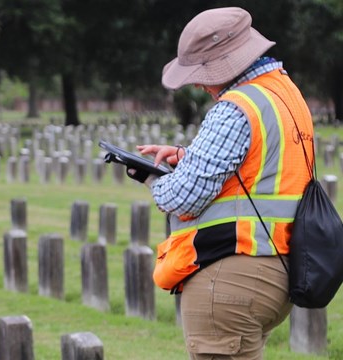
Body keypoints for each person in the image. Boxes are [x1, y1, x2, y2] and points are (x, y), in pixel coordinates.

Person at [129, 7, 315, 359]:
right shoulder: (287, 94)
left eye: (202, 72)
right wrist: (189, 157)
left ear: (229, 64)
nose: (199, 83)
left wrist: (153, 177)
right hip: (280, 271)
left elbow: (182, 198)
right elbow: (261, 169)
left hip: (230, 275)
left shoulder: (236, 106)